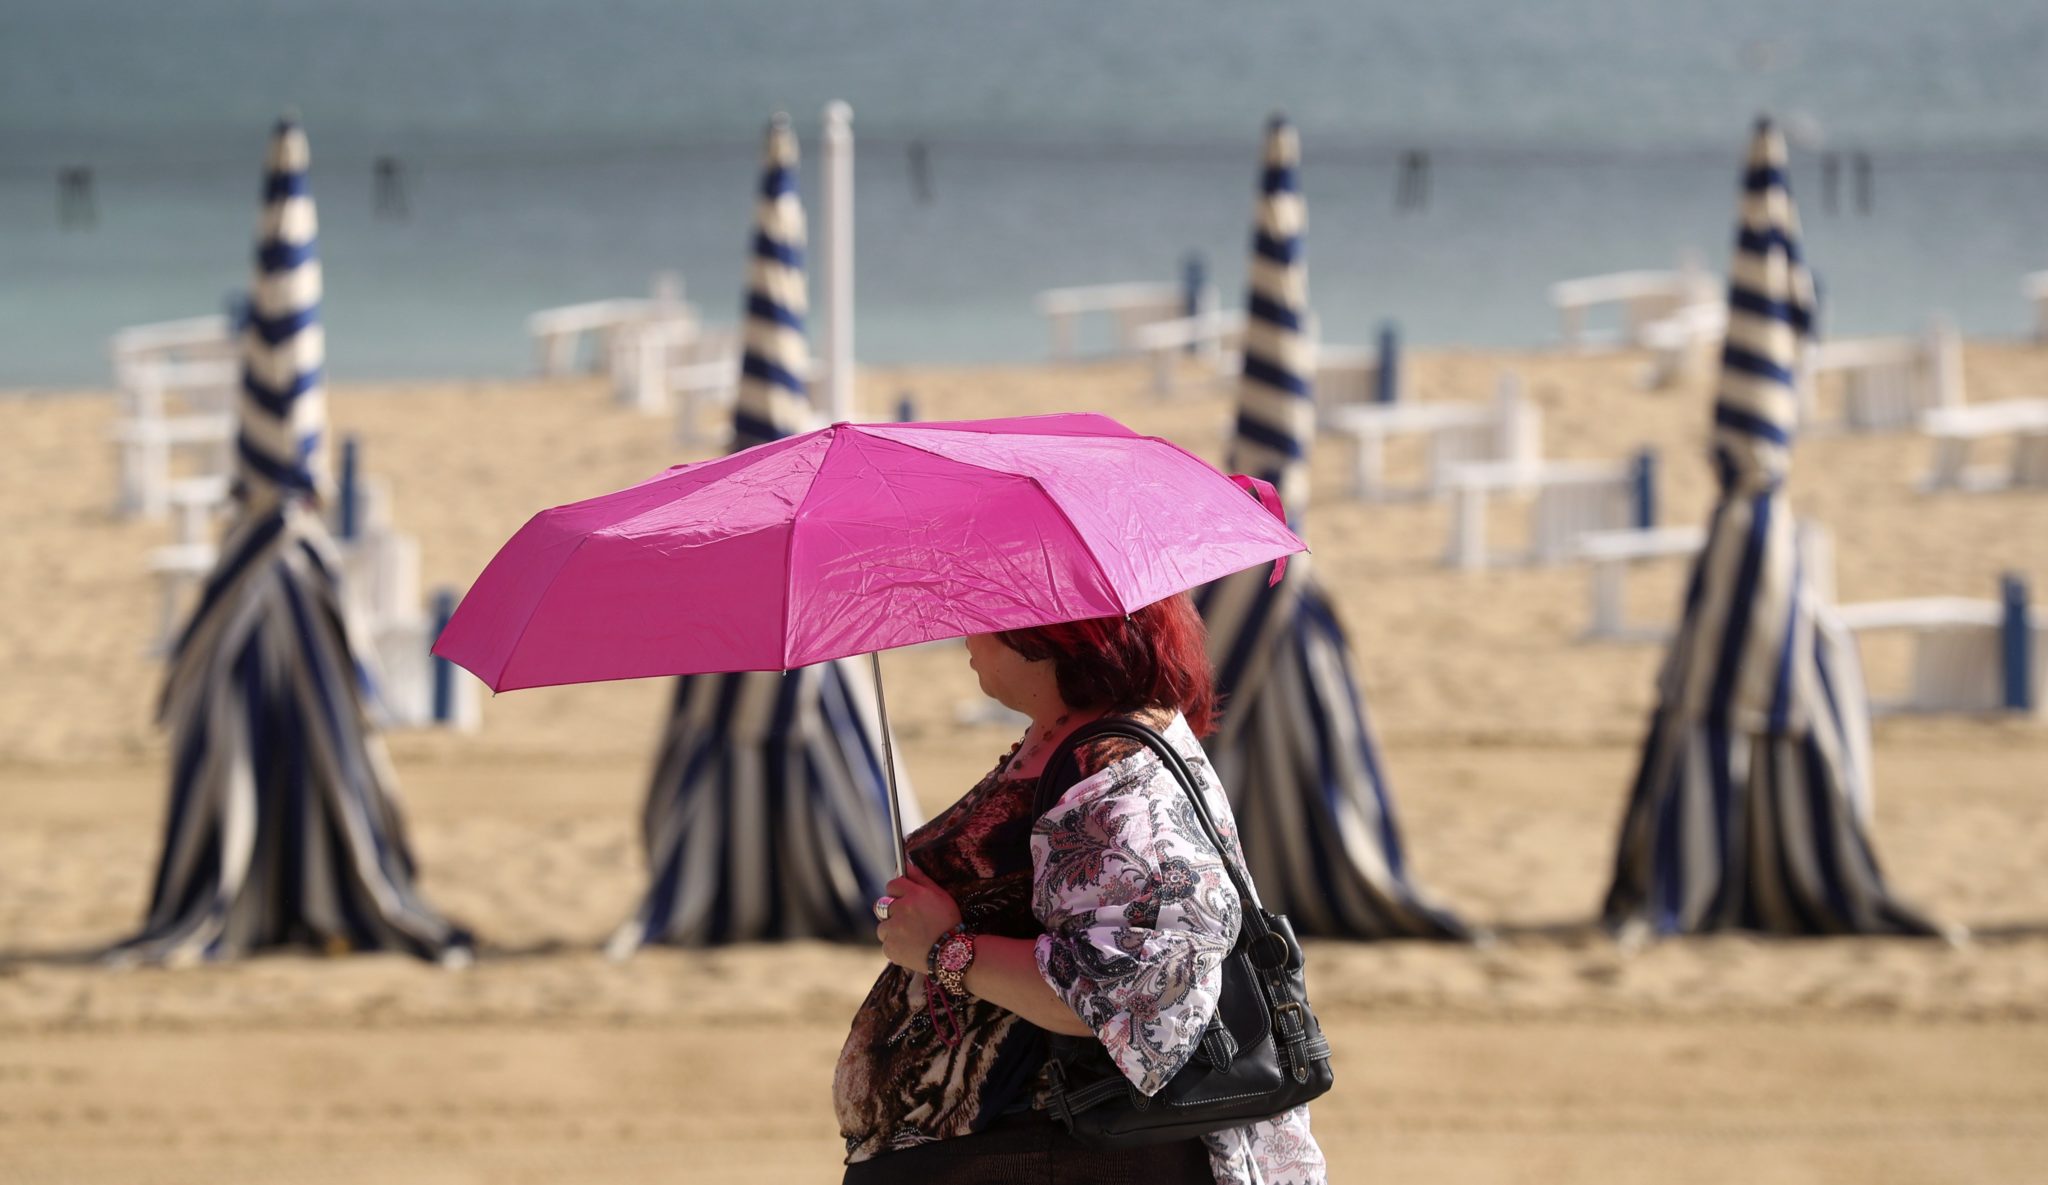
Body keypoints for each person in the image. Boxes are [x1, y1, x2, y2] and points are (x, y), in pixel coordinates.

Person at [833, 594, 1327, 1184]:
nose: (966, 629)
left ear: (1046, 632)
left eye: (986, 611)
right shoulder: (1075, 743)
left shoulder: (1114, 773)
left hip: (1054, 1147)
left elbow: (1131, 989)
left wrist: (944, 950)